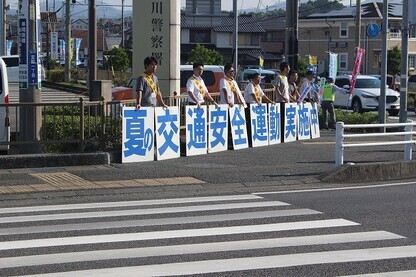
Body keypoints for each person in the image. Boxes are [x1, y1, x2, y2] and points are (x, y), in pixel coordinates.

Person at [244, 73, 275, 145]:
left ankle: (256, 139)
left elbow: (263, 95)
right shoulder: (250, 85)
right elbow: (252, 94)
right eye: (258, 78)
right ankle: (250, 140)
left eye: (260, 78)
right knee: (250, 123)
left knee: (256, 123)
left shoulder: (257, 86)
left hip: (257, 106)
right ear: (254, 79)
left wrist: (270, 101)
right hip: (250, 105)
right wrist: (257, 101)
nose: (259, 79)